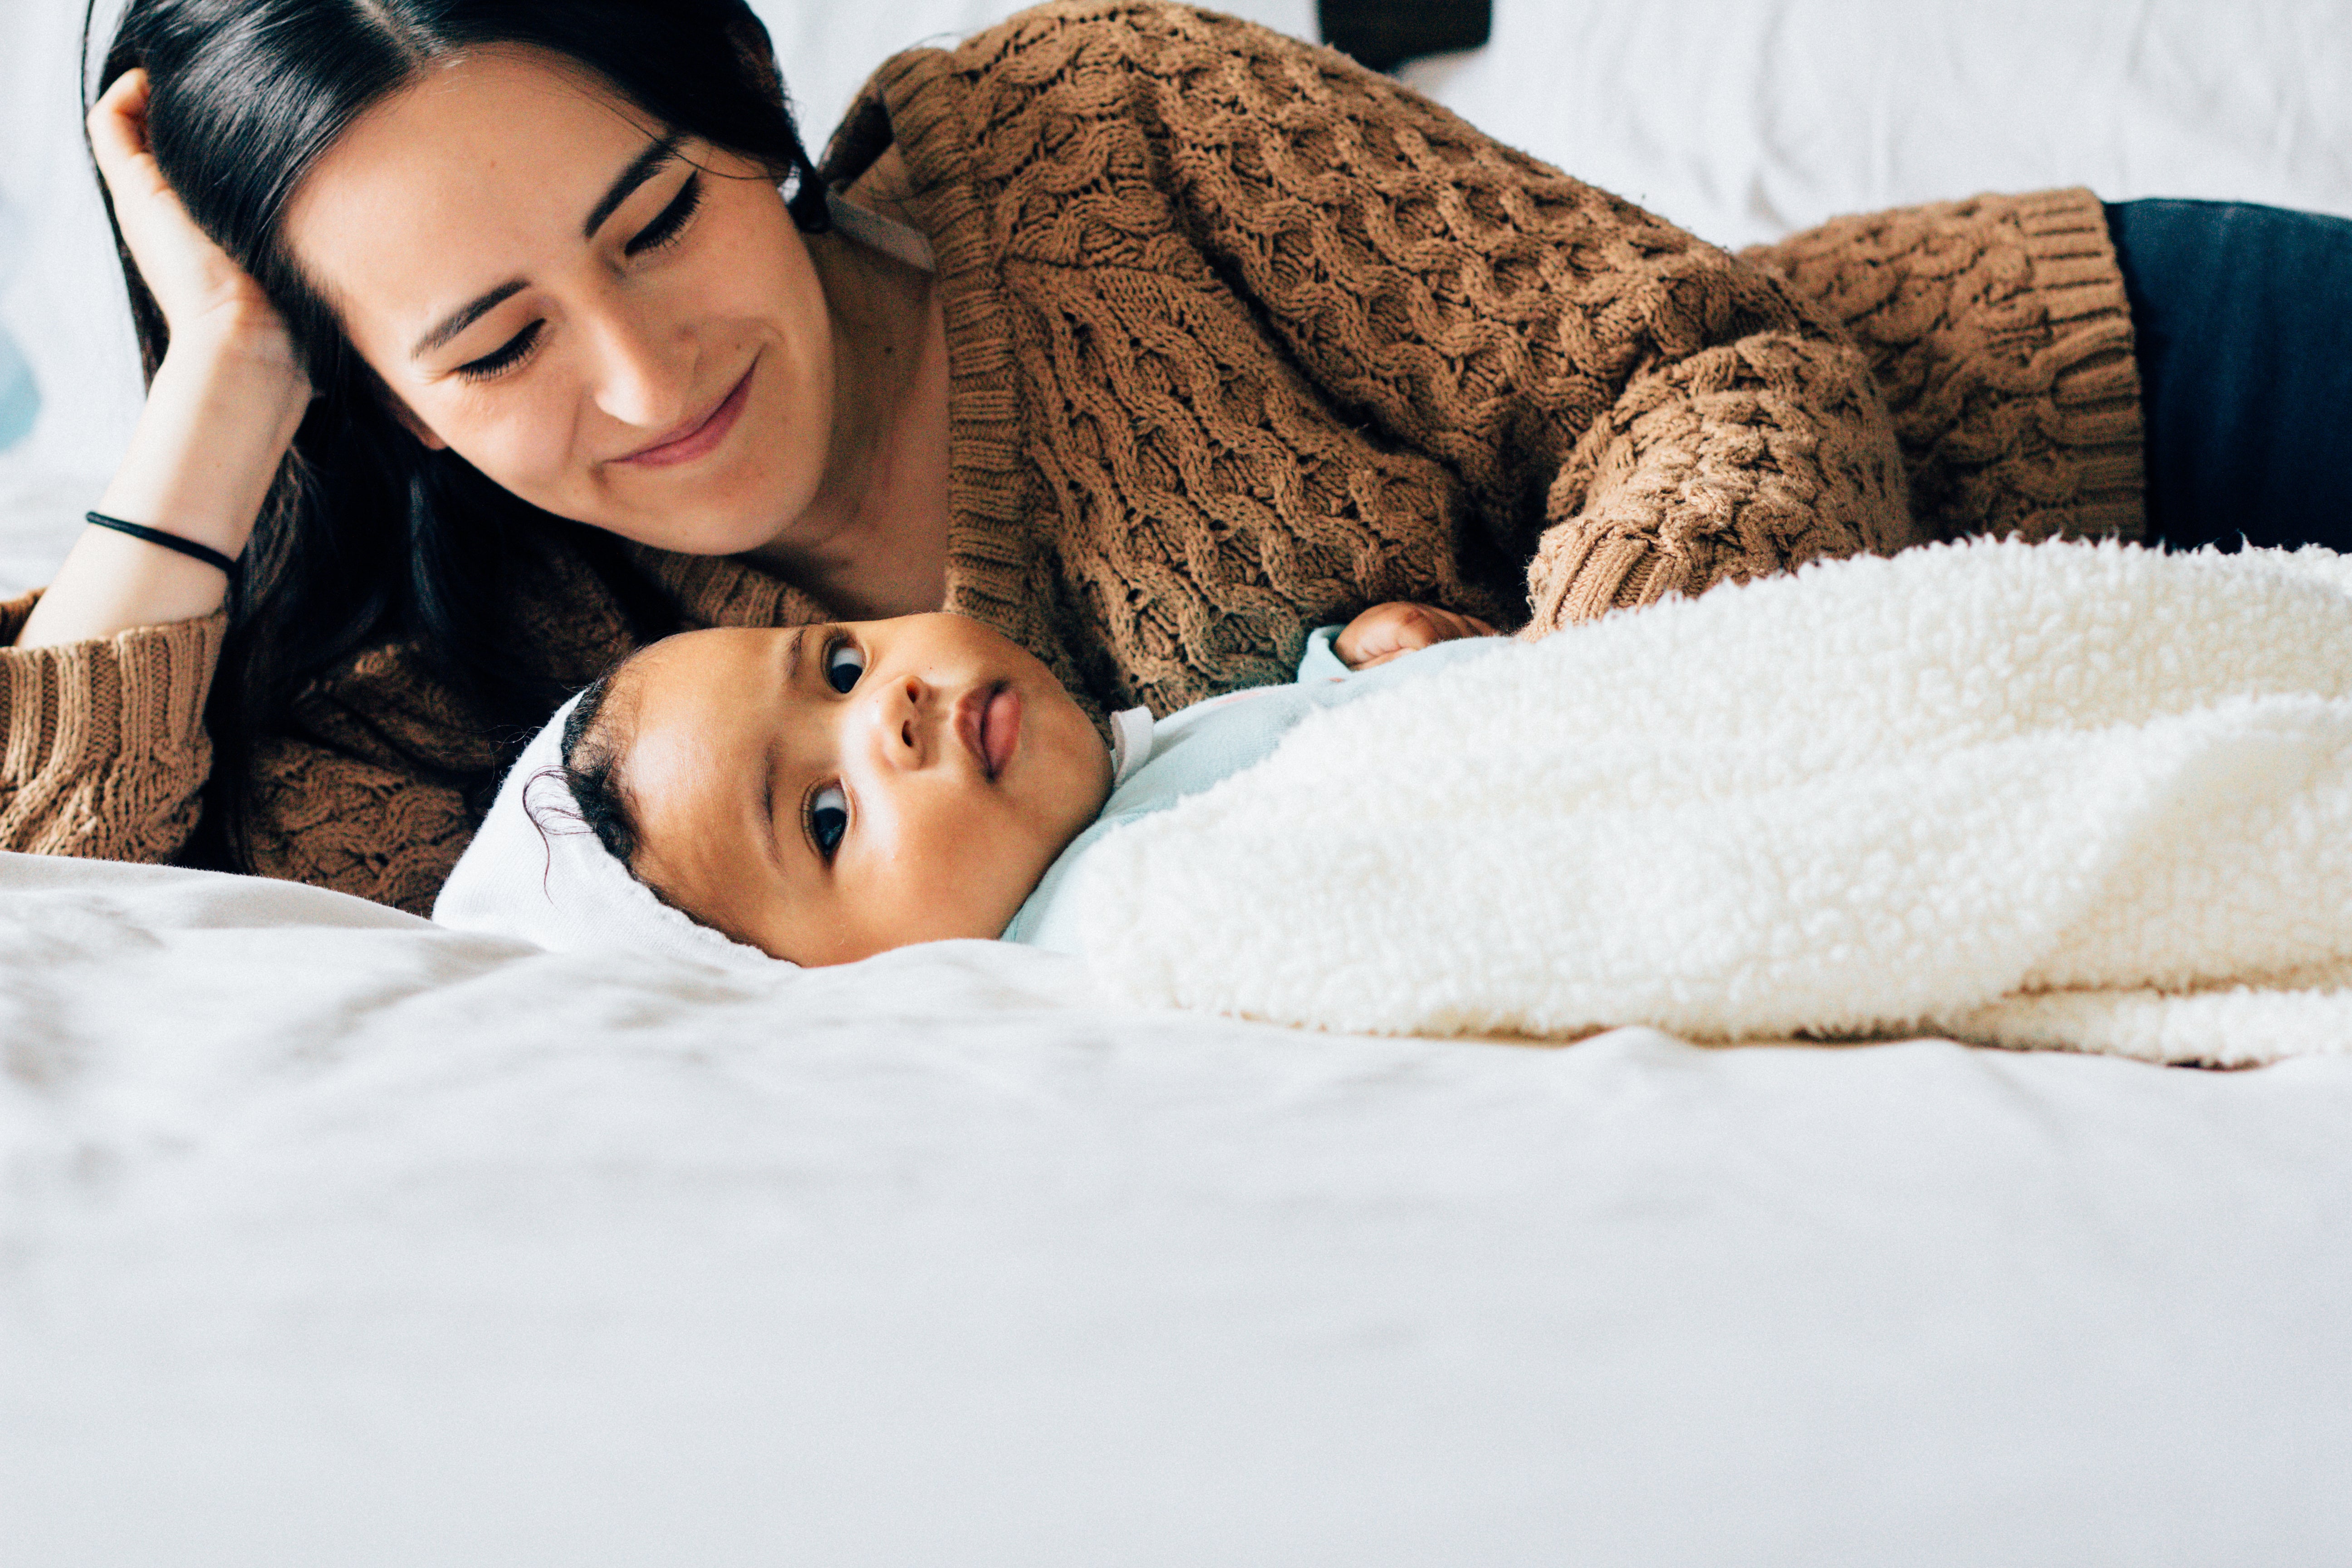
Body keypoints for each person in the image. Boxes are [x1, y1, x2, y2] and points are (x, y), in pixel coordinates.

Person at [5, 0, 2343, 916]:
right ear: (375, 389)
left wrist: (1528, 734)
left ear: (748, 128)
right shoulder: (470, 685)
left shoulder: (1097, 129)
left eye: (661, 215)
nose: (643, 377)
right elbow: (74, 922)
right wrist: (211, 398)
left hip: (2115, 410)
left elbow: (1708, 374)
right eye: (494, 340)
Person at [432, 598, 1504, 965]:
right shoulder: (1106, 935)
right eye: (826, 816)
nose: (887, 710)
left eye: (840, 667)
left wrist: (1354, 670)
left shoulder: (1124, 791)